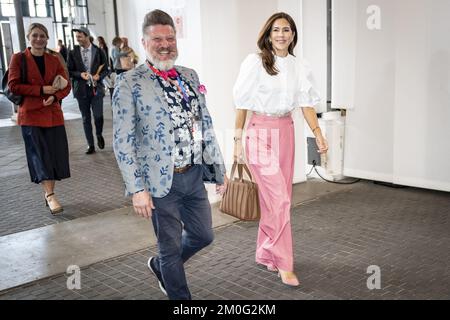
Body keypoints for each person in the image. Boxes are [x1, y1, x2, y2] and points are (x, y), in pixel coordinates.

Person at [113, 9, 227, 300]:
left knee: (204, 235)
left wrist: (217, 169)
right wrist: (138, 189)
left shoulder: (189, 75)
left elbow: (204, 124)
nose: (165, 44)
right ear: (144, 41)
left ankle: (162, 267)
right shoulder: (129, 83)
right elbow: (123, 141)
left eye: (170, 38)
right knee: (170, 247)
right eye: (157, 39)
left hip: (193, 174)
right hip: (159, 183)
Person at [233, 12, 329, 287]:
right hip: (259, 133)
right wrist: (237, 141)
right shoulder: (255, 62)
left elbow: (306, 103)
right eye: (276, 30)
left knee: (277, 199)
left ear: (293, 35)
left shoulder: (299, 66)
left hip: (286, 132)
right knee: (281, 201)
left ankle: (266, 252)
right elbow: (242, 104)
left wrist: (318, 134)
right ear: (268, 33)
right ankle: (285, 263)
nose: (281, 35)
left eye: (286, 30)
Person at [8, 23, 71, 215]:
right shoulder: (18, 59)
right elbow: (13, 86)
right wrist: (41, 90)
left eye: (42, 35)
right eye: (35, 35)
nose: (38, 39)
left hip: (53, 114)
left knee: (53, 157)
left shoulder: (53, 59)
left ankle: (49, 193)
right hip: (31, 115)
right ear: (28, 37)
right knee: (40, 157)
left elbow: (66, 85)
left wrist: (55, 96)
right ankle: (50, 195)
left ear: (47, 38)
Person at [67, 26, 108, 154]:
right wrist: (80, 75)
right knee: (85, 118)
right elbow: (69, 71)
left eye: (79, 36)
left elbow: (106, 69)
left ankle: (99, 134)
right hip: (81, 90)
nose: (77, 39)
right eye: (76, 37)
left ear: (86, 36)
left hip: (97, 89)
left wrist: (99, 76)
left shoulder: (99, 51)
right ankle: (90, 145)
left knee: (98, 116)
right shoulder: (73, 53)